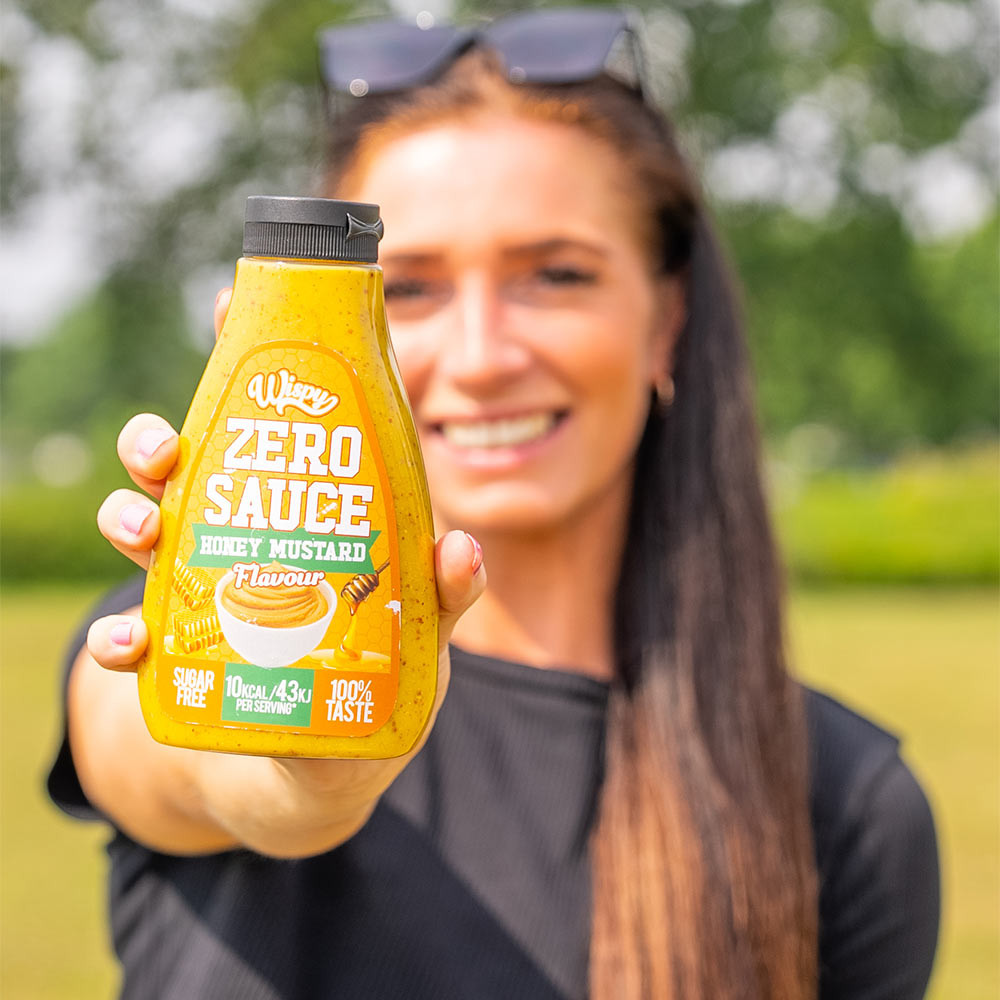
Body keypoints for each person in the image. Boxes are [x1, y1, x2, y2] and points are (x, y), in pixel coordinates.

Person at [48, 8, 940, 999]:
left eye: (555, 275)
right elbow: (207, 776)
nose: (480, 359)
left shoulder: (845, 804)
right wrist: (317, 770)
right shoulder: (176, 643)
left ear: (667, 319)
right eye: (408, 288)